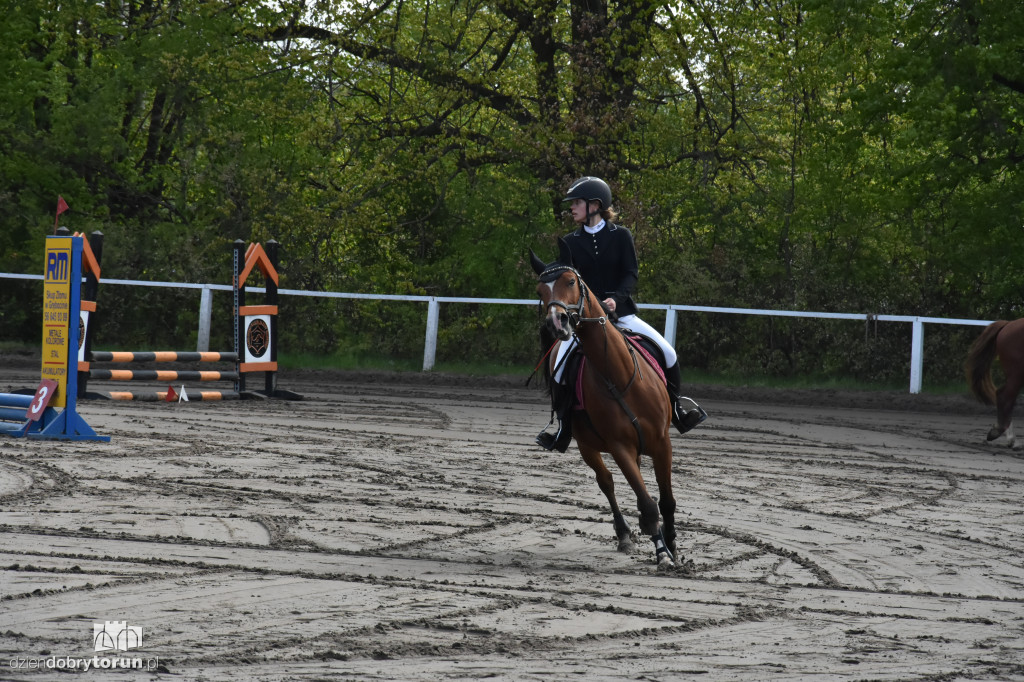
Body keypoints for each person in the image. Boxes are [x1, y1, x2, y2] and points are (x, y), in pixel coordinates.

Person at [536, 176, 707, 452]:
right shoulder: (570, 242)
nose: (572, 208)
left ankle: (677, 412)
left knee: (669, 353)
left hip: (622, 314)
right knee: (557, 370)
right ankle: (563, 428)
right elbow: (567, 282)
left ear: (595, 205)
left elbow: (631, 273)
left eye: (577, 203)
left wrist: (616, 299)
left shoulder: (621, 235)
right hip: (585, 321)